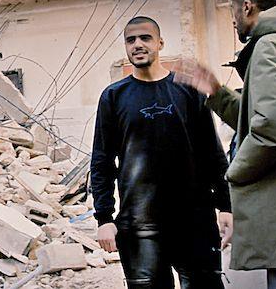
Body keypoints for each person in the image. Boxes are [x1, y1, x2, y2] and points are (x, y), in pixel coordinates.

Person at [180, 0, 276, 288]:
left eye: (232, 11)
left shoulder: (270, 45)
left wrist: (236, 172)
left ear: (247, 7)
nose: (232, 21)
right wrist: (216, 93)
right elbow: (261, 114)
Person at [90, 16, 232, 289]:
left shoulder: (187, 91)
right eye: (131, 40)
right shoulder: (113, 97)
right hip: (141, 228)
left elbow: (211, 152)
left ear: (160, 43)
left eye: (145, 38)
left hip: (195, 222)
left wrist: (225, 205)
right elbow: (102, 162)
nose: (138, 45)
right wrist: (104, 218)